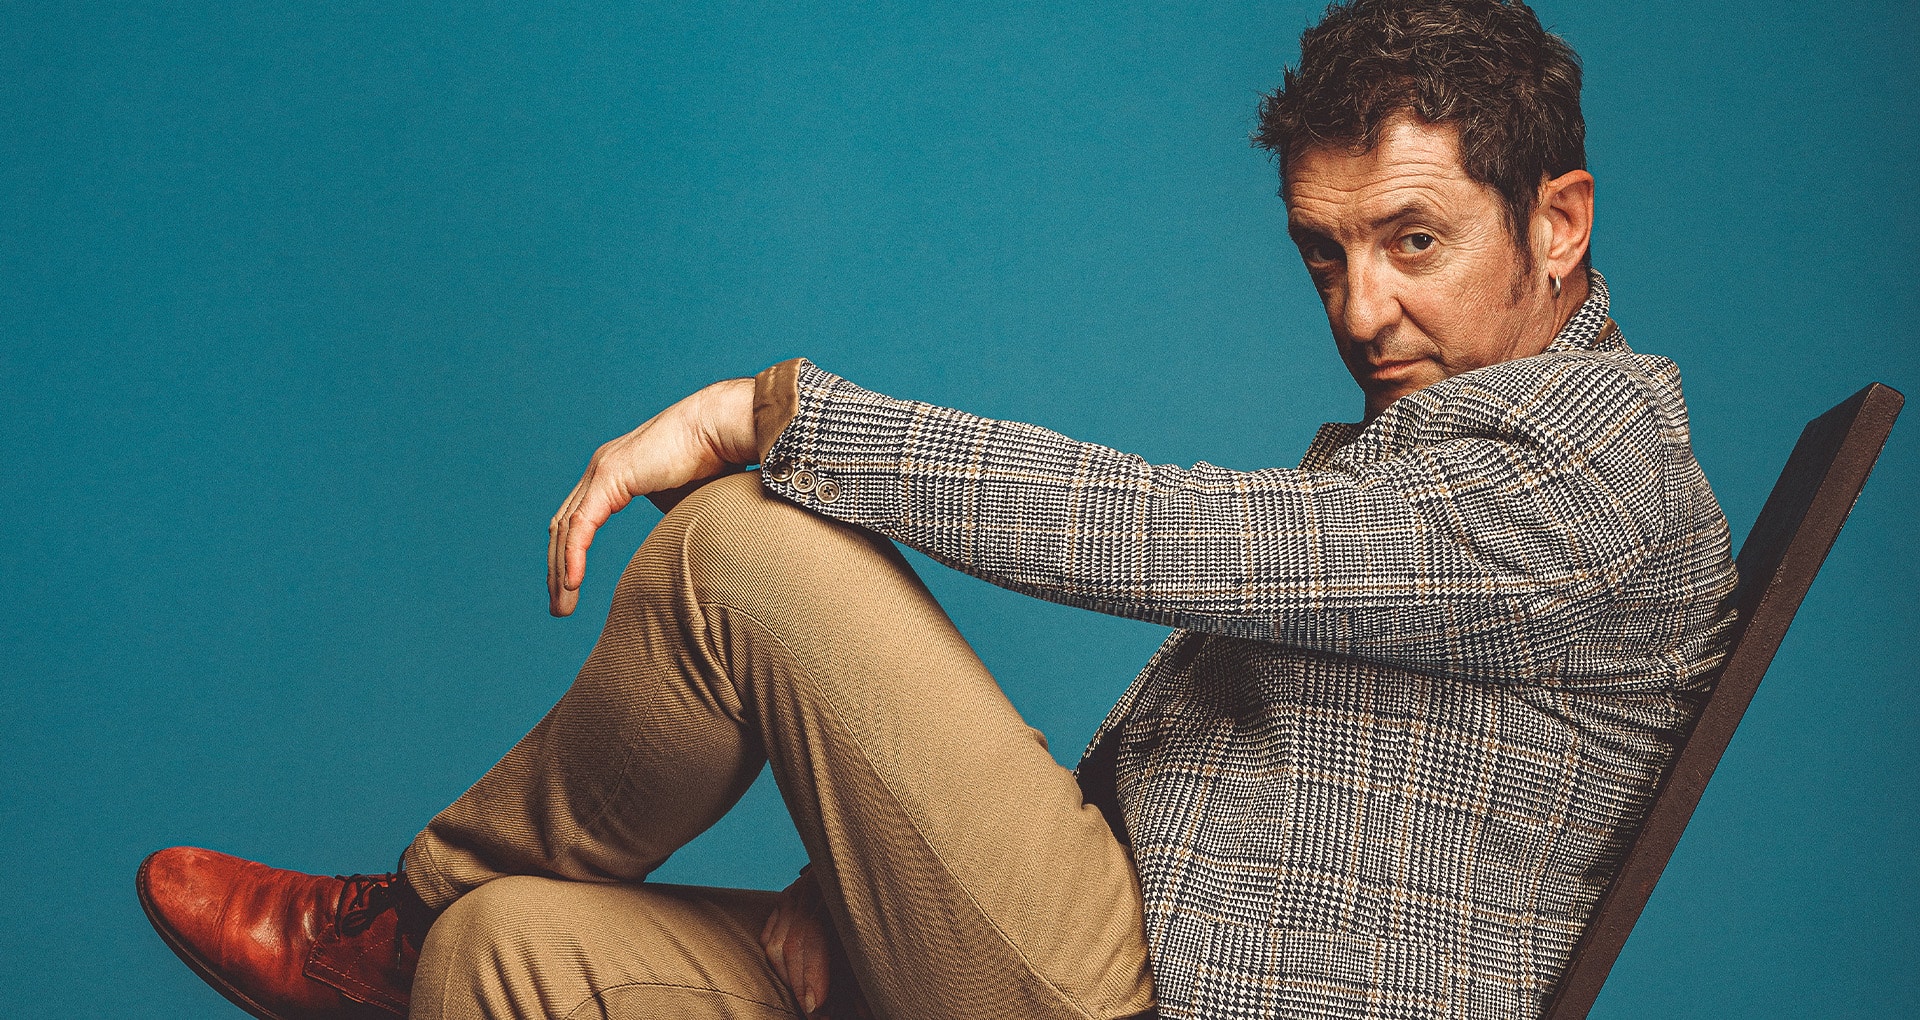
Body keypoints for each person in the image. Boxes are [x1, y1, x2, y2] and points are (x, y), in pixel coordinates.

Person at [135, 1, 1740, 1018]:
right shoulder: (1456, 448)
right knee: (511, 963)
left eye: (1412, 241)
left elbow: (1172, 534)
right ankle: (432, 946)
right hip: (1109, 948)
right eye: (1326, 253)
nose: (1361, 309)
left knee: (744, 551)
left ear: (1558, 223)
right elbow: (1223, 788)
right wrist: (867, 886)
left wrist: (766, 414)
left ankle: (390, 924)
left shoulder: (1592, 476)